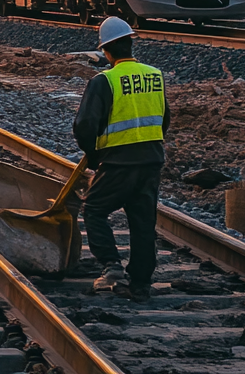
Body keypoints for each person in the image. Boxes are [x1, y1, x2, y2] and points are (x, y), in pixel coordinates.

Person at [73, 16, 169, 303]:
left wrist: (93, 154)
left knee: (94, 209)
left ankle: (112, 268)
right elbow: (164, 119)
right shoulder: (155, 75)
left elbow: (85, 125)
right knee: (143, 222)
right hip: (151, 160)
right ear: (129, 43)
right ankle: (141, 283)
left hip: (118, 161)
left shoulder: (104, 80)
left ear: (107, 51)